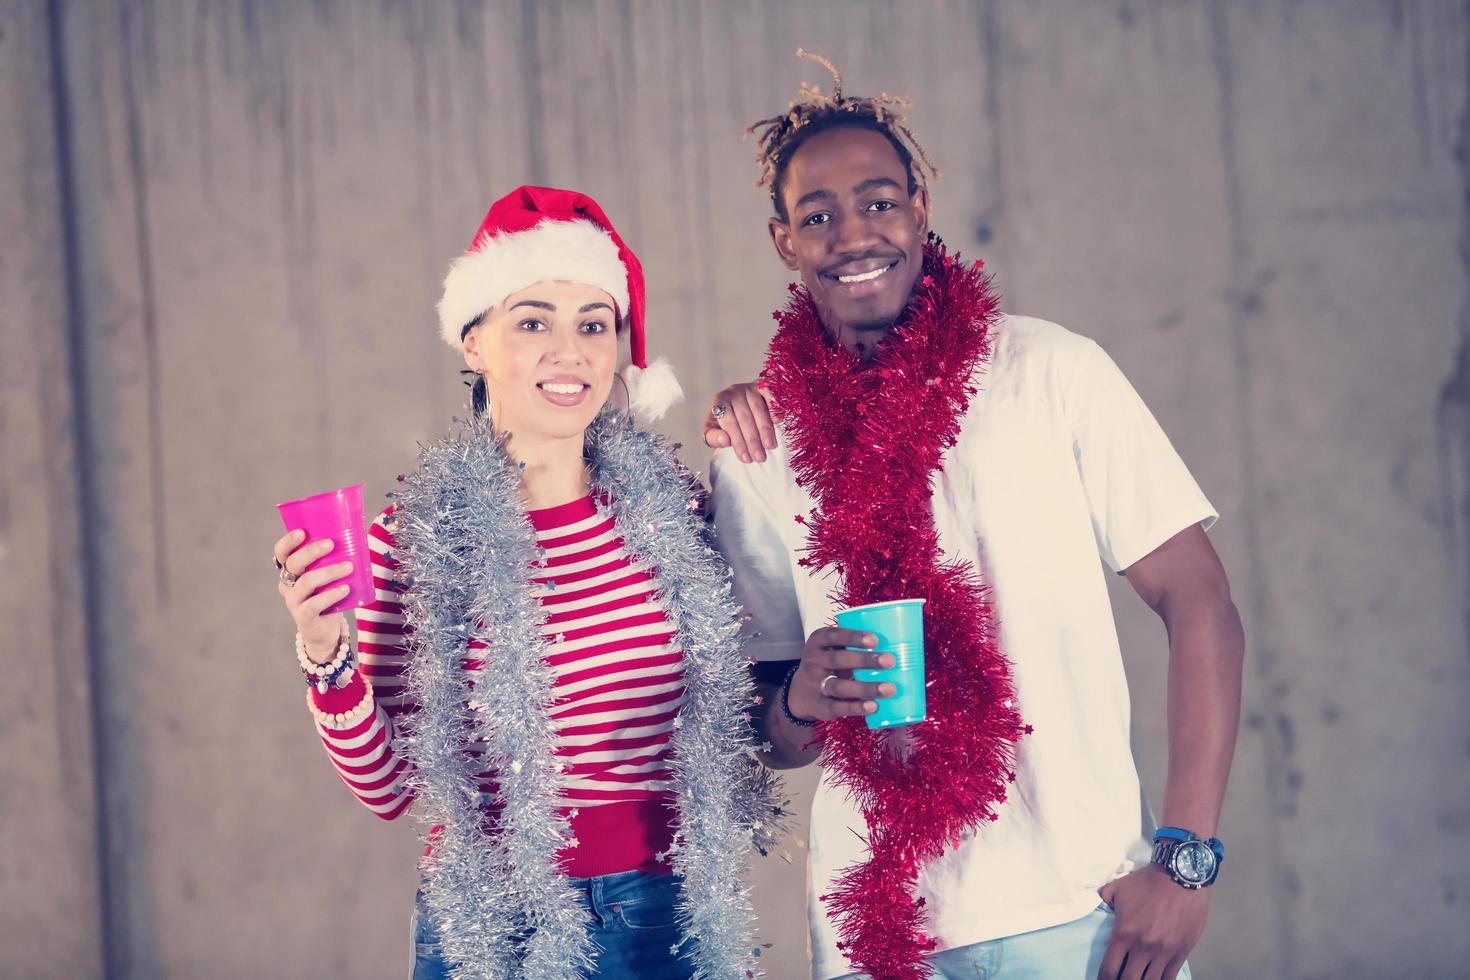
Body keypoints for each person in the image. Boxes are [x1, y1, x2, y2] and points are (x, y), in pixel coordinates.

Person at [704, 53, 1244, 980]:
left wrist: (1186, 862)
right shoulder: (760, 443)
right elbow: (768, 731)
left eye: (878, 201)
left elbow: (1201, 604)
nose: (852, 233)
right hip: (878, 936)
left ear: (920, 206)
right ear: (783, 241)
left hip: (1081, 908)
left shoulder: (1049, 372)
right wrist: (800, 698)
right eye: (817, 216)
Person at [272, 186, 779, 980]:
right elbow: (389, 789)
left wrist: (753, 431)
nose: (568, 352)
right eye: (533, 321)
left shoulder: (676, 512)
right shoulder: (413, 542)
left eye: (593, 324)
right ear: (474, 342)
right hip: (494, 926)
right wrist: (322, 647)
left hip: (670, 914)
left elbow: (769, 656)